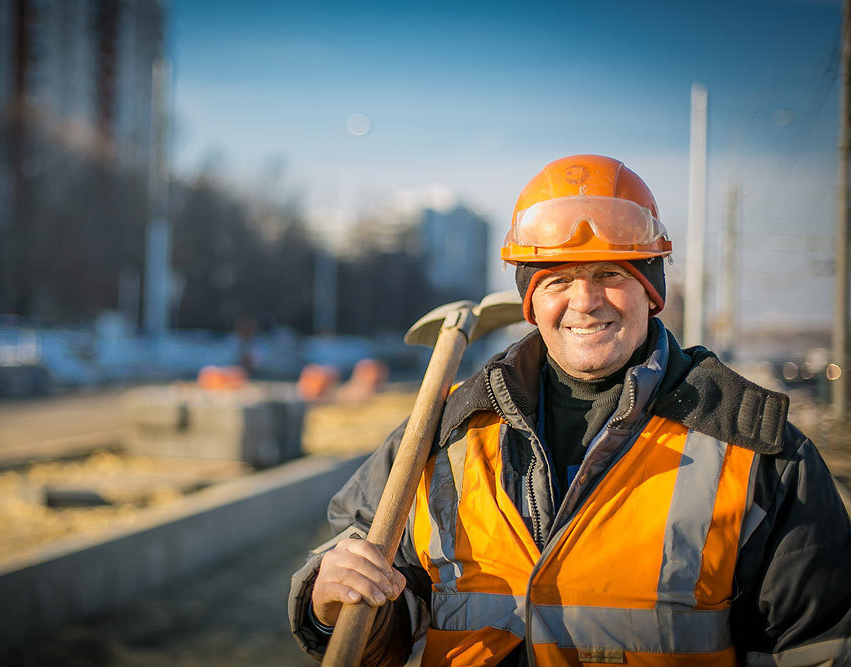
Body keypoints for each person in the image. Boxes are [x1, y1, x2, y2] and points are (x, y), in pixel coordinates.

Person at [288, 154, 851, 666]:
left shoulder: (759, 452)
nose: (585, 302)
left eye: (610, 274)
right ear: (531, 301)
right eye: (559, 279)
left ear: (651, 290)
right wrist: (327, 599)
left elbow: (820, 645)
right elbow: (380, 611)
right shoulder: (444, 434)